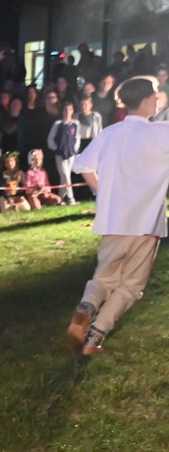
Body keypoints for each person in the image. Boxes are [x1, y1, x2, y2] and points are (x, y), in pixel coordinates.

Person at [66, 77, 169, 356]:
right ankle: (94, 337)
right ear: (149, 100)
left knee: (104, 278)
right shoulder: (162, 133)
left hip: (113, 221)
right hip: (146, 225)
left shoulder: (110, 133)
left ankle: (85, 308)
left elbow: (82, 165)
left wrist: (103, 193)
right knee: (131, 286)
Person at [47, 101, 81, 205]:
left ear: (72, 111)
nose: (67, 112)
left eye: (70, 110)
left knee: (64, 178)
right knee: (65, 176)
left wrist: (74, 149)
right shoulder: (57, 124)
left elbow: (77, 137)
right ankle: (71, 198)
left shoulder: (76, 124)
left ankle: (59, 199)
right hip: (60, 154)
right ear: (62, 111)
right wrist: (56, 148)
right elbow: (50, 139)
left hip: (70, 153)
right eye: (65, 110)